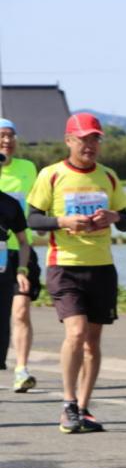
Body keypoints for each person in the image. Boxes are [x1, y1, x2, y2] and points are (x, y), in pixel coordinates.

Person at [26, 114, 126, 433]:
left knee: (92, 341)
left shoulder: (109, 177)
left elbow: (125, 220)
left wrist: (113, 216)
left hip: (101, 268)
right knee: (75, 333)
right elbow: (32, 219)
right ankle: (68, 404)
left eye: (95, 139)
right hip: (65, 265)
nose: (90, 145)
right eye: (84, 139)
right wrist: (64, 222)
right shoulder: (52, 175)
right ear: (69, 140)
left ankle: (84, 408)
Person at [0, 118, 39, 390]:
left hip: (20, 250)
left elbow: (37, 205)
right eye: (2, 135)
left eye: (11, 135)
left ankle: (22, 369)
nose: (7, 140)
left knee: (21, 310)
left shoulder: (28, 168)